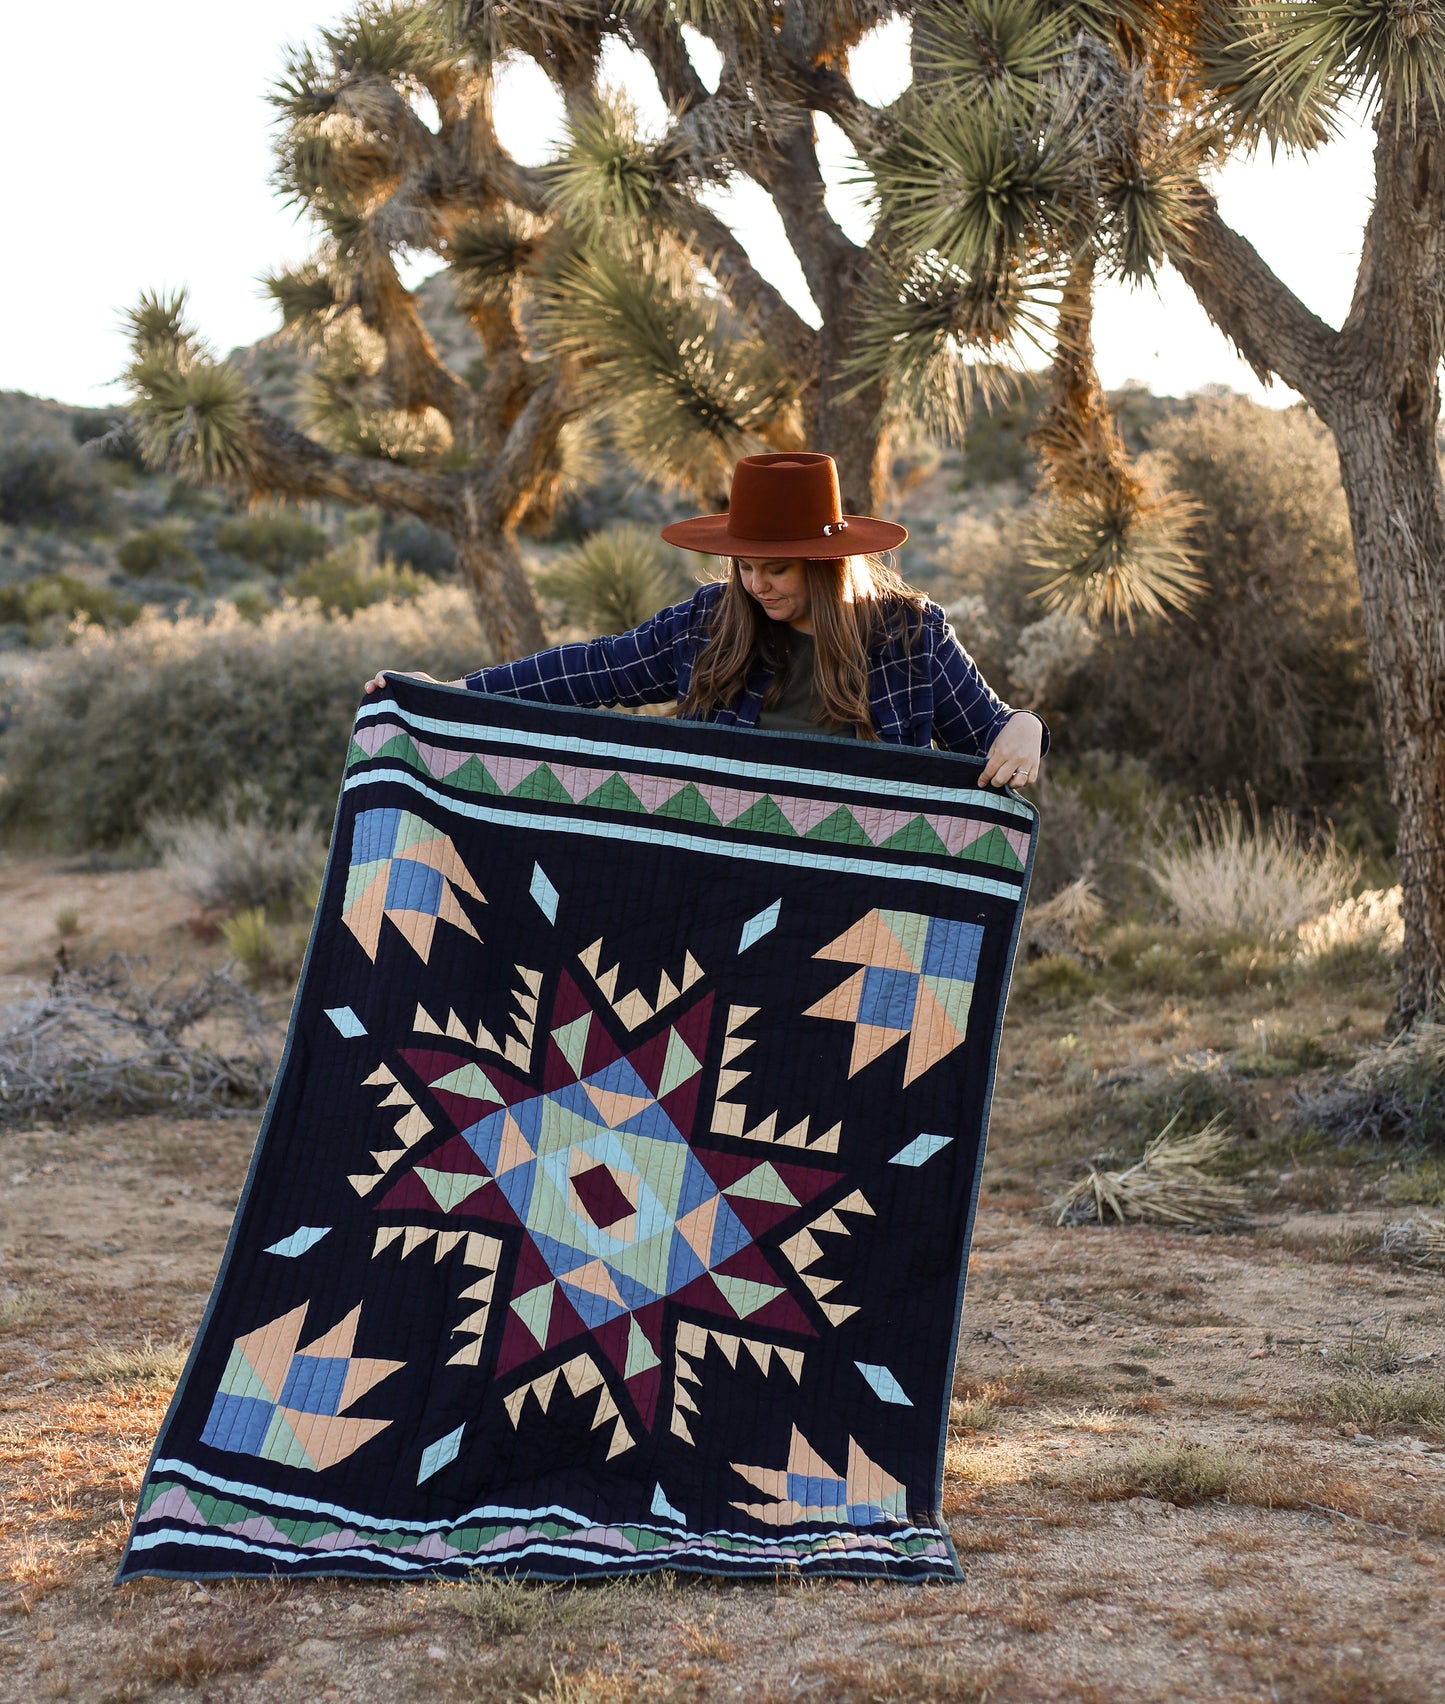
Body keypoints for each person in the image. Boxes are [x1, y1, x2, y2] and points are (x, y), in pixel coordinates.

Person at [364, 451, 1046, 787]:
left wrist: (1027, 730)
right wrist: (452, 696)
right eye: (744, 567)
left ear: (824, 563)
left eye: (775, 569)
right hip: (720, 889)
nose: (756, 585)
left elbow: (990, 731)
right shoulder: (709, 623)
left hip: (857, 902)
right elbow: (590, 670)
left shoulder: (909, 636)